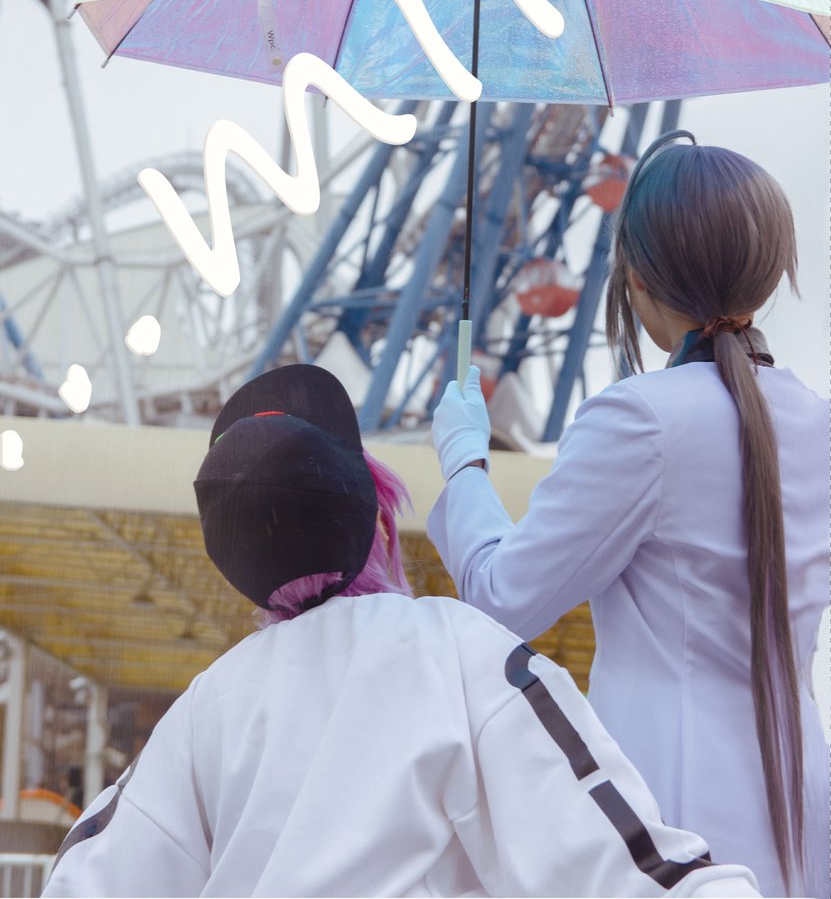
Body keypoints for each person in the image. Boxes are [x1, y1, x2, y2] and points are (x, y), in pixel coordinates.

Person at [43, 363, 762, 898]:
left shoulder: (208, 704)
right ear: (375, 508)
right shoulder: (458, 649)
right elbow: (625, 867)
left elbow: (89, 879)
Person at [428, 132, 830, 899]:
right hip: (800, 802)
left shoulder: (638, 419)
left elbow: (502, 598)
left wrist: (464, 462)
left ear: (636, 279)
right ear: (768, 273)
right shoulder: (819, 423)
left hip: (665, 807)